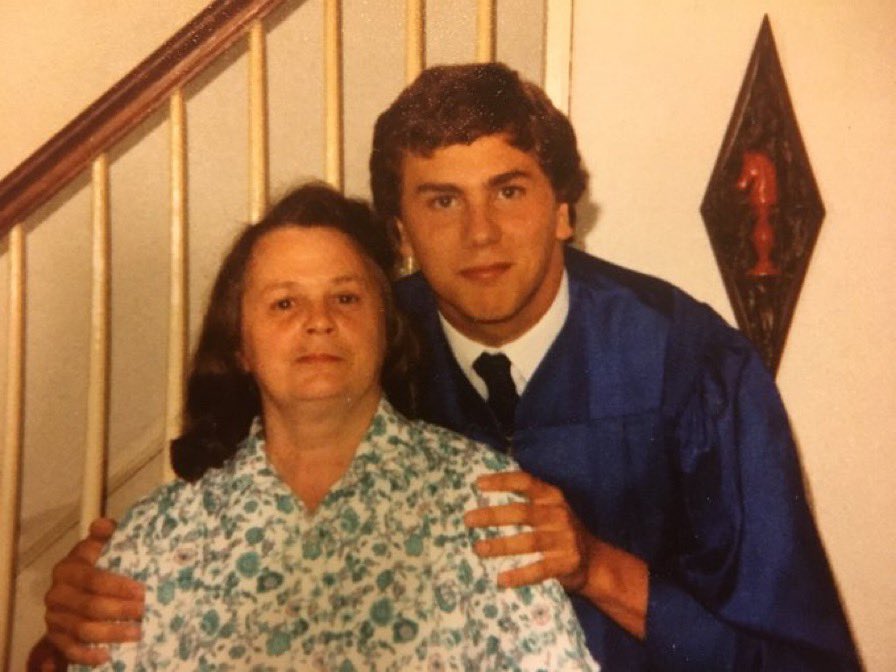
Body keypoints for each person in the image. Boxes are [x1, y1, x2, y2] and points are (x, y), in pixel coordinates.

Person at [35, 63, 860, 670]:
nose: (480, 236)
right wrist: (81, 606)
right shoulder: (359, 349)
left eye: (509, 191)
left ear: (564, 207)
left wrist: (598, 569)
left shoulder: (693, 370)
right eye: (440, 200)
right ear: (398, 231)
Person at [52, 183, 599, 670]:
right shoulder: (155, 538)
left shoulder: (488, 501)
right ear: (241, 344)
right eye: (284, 303)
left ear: (386, 329)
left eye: (345, 297)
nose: (318, 321)